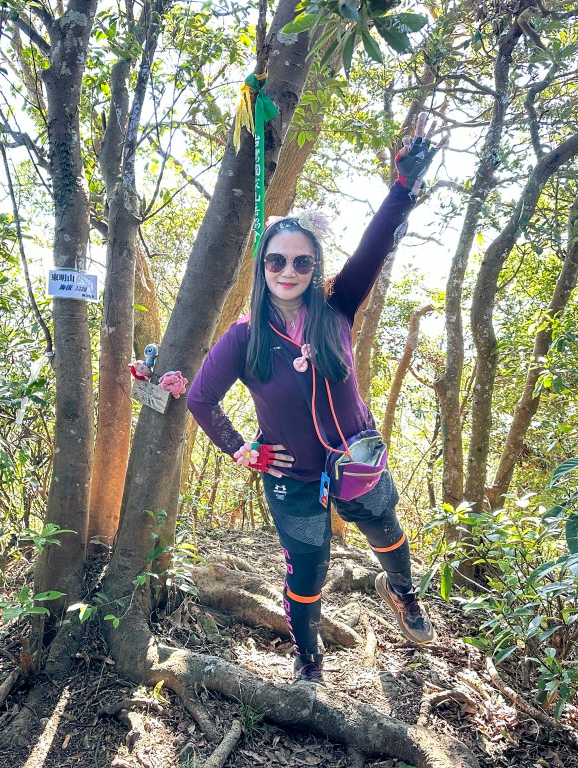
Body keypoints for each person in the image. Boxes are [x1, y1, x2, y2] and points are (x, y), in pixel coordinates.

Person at [186, 115, 442, 685]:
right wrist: (243, 450)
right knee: (308, 570)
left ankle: (403, 593)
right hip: (293, 477)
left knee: (385, 532)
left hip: (358, 458)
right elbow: (201, 399)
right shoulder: (244, 336)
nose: (289, 270)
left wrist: (403, 187)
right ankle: (309, 663)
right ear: (262, 267)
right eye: (276, 260)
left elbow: (374, 247)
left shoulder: (337, 307)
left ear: (315, 267)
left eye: (302, 261)